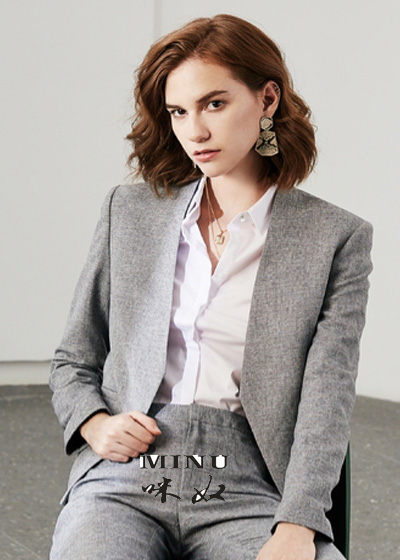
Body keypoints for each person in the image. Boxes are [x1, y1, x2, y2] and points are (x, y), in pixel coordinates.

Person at [49, 14, 373, 560]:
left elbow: (327, 400)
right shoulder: (131, 212)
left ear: (267, 98)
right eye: (179, 111)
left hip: (248, 486)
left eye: (214, 104)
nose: (194, 131)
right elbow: (73, 358)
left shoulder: (334, 238)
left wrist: (297, 525)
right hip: (127, 476)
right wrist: (95, 423)